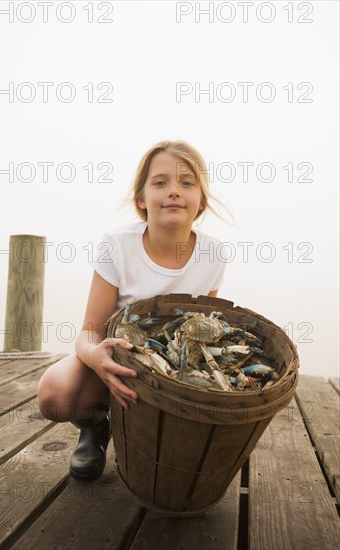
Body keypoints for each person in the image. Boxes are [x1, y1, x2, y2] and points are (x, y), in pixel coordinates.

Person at [37, 139, 232, 480]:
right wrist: (96, 357)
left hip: (173, 372)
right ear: (142, 199)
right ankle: (95, 428)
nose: (174, 191)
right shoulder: (117, 245)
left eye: (187, 183)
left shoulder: (213, 255)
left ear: (200, 201)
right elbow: (88, 331)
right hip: (118, 359)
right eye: (160, 182)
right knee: (54, 395)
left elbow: (204, 326)